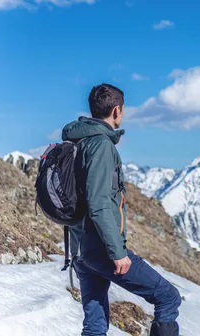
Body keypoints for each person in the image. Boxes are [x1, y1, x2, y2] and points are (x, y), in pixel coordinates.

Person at [62, 83, 181, 336]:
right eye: (123, 110)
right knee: (168, 298)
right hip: (102, 249)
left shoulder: (79, 142)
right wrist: (117, 252)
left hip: (80, 249)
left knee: (95, 325)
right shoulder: (101, 146)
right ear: (116, 110)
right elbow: (99, 202)